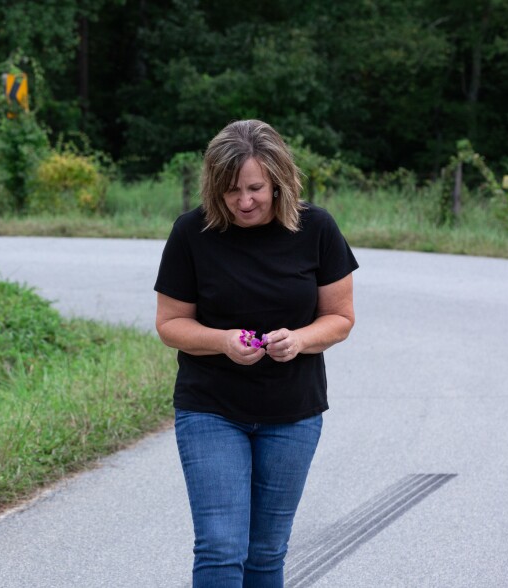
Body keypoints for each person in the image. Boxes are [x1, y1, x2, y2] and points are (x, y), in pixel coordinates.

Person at [154, 119, 358, 587]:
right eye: (230, 191)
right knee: (221, 548)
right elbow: (170, 325)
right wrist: (222, 340)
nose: (244, 201)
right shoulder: (191, 233)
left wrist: (301, 339)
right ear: (213, 187)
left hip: (292, 414)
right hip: (211, 409)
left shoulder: (317, 229)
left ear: (278, 181)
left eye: (254, 188)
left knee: (265, 553)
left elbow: (341, 318)